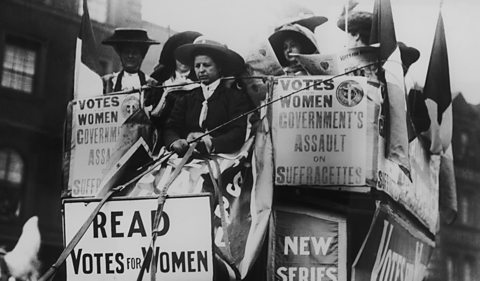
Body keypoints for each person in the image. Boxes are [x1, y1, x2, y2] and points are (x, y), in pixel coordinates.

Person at [164, 36, 252, 156]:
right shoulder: (187, 98)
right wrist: (175, 142)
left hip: (222, 157)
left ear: (219, 67)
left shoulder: (235, 98)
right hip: (187, 156)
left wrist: (211, 143)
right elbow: (171, 127)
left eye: (206, 65)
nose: (201, 70)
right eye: (197, 66)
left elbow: (238, 132)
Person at [101, 28, 159, 94]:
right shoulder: (108, 82)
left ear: (142, 56)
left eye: (135, 53)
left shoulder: (151, 84)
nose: (130, 56)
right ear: (120, 55)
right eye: (126, 52)